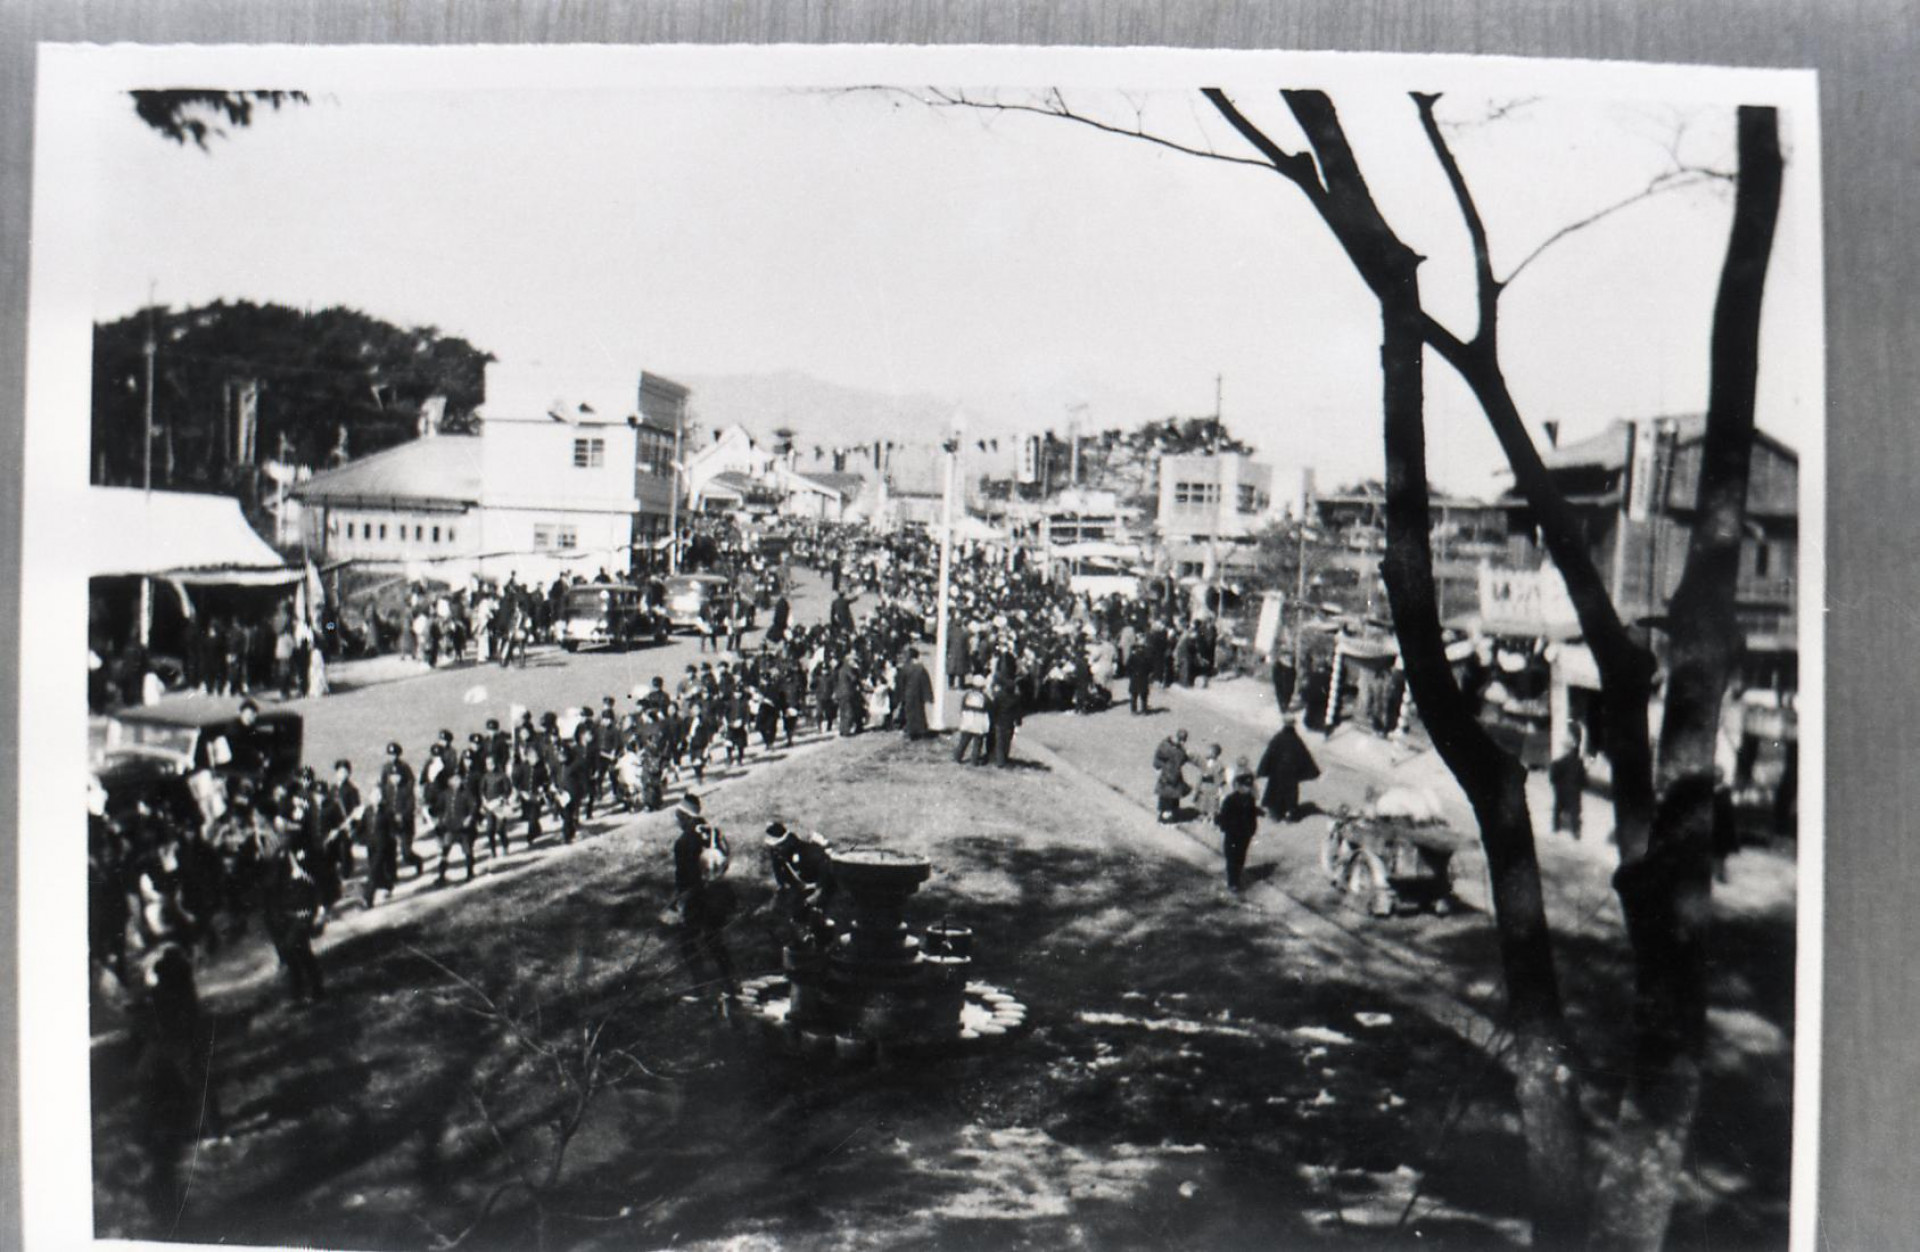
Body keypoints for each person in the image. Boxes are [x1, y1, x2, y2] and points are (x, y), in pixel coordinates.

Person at [1255, 713, 1320, 822]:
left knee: (1275, 792)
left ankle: (1275, 815)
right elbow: (1304, 757)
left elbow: (1269, 755)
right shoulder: (1296, 741)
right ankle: (1289, 814)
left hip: (1277, 773)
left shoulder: (1278, 738)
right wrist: (1309, 772)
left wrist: (1262, 770)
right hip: (1291, 775)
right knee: (1289, 795)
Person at [378, 741, 426, 878]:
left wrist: (402, 815)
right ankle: (392, 875)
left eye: (395, 754)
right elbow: (382, 791)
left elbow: (410, 805)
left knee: (406, 852)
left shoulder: (405, 772)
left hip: (406, 823)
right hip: (391, 822)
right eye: (390, 754)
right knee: (390, 850)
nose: (394, 779)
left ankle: (417, 862)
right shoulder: (386, 774)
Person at [1215, 772, 1261, 891]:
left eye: (1249, 786)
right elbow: (1223, 815)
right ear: (1238, 786)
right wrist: (1222, 824)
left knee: (1240, 857)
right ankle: (1232, 882)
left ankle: (1236, 879)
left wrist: (1252, 829)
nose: (1247, 789)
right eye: (1245, 786)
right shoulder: (1230, 800)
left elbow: (1251, 815)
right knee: (1231, 857)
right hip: (1232, 834)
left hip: (1244, 835)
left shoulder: (1250, 800)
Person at [1548, 730, 1587, 838]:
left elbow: (1553, 778)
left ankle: (1556, 827)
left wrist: (1556, 785)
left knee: (1557, 808)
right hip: (1574, 792)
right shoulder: (1579, 763)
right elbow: (1584, 781)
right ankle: (1576, 831)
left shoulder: (1558, 763)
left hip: (1561, 791)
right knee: (1575, 811)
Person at [894, 647, 935, 740]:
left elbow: (900, 683)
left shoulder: (905, 668)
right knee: (920, 712)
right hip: (918, 694)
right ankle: (921, 730)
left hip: (908, 694)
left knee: (909, 712)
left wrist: (899, 696)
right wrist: (928, 696)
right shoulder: (921, 668)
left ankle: (911, 731)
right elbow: (926, 683)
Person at [954, 676, 991, 765]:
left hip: (968, 720)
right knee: (978, 744)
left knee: (963, 741)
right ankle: (974, 761)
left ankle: (957, 757)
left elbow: (962, 707)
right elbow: (989, 708)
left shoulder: (967, 695)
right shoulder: (984, 698)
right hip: (979, 722)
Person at [1193, 743, 1226, 822]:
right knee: (1202, 800)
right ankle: (1201, 814)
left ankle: (1209, 816)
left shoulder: (1219, 766)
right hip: (1203, 785)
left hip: (1212, 787)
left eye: (1210, 752)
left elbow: (1220, 778)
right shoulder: (1205, 762)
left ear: (1215, 754)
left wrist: (1220, 790)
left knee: (1211, 801)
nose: (1208, 753)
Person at [1126, 641, 1154, 715]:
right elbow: (1150, 668)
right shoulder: (1147, 657)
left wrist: (1130, 675)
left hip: (1135, 677)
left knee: (1134, 695)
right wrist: (1148, 674)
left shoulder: (1132, 656)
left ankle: (1133, 710)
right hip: (1143, 677)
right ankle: (1144, 710)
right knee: (1143, 695)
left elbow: (1128, 667)